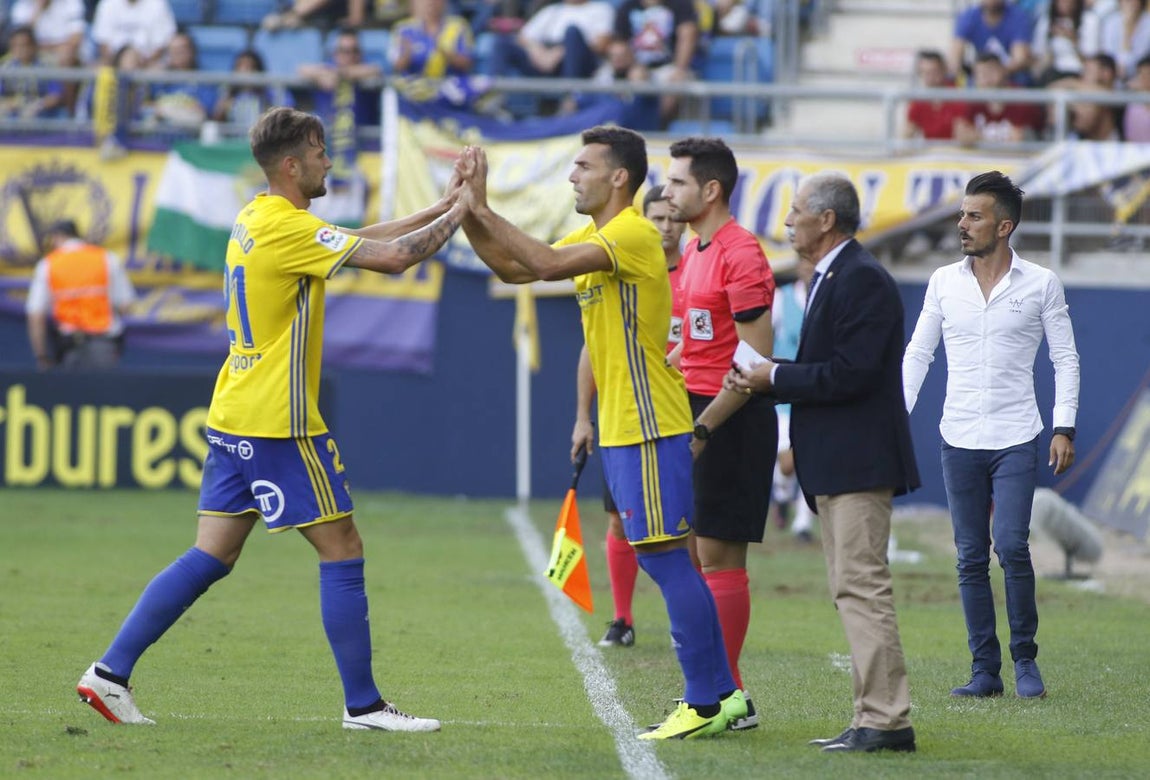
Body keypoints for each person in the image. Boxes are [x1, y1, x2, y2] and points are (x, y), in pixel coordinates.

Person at [76, 106, 470, 731]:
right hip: (277, 422)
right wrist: (465, 211)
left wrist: (441, 206)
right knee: (342, 547)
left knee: (211, 554)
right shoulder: (288, 229)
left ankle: (109, 673)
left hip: (235, 411)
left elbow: (360, 238)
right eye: (319, 152)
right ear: (291, 164)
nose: (328, 162)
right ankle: (364, 706)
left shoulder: (260, 217)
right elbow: (394, 258)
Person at [459, 126, 745, 739]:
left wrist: (481, 207)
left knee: (667, 561)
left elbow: (543, 263)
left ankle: (702, 703)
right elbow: (513, 269)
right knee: (667, 559)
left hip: (650, 426)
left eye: (583, 166)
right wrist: (469, 215)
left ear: (619, 177)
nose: (572, 176)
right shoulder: (596, 237)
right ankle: (725, 694)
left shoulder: (633, 234)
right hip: (623, 428)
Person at [727, 171, 919, 754]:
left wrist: (775, 377)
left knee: (862, 587)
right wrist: (770, 374)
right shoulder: (837, 275)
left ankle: (887, 720)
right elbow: (835, 368)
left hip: (858, 462)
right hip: (839, 463)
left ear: (827, 219)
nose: (787, 222)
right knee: (851, 588)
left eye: (796, 211)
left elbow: (852, 374)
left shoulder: (861, 278)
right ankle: (870, 716)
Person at [903, 170, 1080, 701]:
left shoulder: (1042, 283)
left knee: (1012, 546)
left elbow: (1065, 358)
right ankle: (985, 670)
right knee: (969, 556)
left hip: (1016, 436)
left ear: (1004, 227)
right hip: (957, 436)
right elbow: (919, 353)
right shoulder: (942, 281)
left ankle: (1025, 659)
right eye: (962, 214)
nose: (962, 224)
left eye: (973, 216)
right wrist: (893, 418)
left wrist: (1064, 426)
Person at [663, 136, 775, 732]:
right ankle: (715, 689)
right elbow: (695, 342)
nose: (666, 191)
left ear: (710, 190)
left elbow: (756, 357)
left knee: (718, 555)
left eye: (677, 181)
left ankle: (728, 697)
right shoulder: (693, 248)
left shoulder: (742, 252)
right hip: (692, 408)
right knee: (689, 552)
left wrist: (705, 425)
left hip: (730, 416)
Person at [574, 183, 685, 650]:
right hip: (624, 414)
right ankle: (622, 618)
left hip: (676, 414)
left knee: (684, 534)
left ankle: (690, 625)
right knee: (620, 520)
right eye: (656, 218)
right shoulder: (618, 263)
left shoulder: (693, 273)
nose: (665, 227)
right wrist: (582, 416)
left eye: (673, 218)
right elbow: (592, 346)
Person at [25, 219, 136, 370]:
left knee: (71, 385)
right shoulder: (106, 258)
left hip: (68, 346)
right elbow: (125, 305)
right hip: (104, 344)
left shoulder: (48, 264)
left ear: (56, 237)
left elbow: (35, 315)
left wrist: (41, 356)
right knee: (103, 385)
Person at [768, 261, 815, 543]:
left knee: (810, 457)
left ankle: (802, 523)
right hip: (785, 394)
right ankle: (782, 492)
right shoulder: (781, 298)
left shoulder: (827, 299)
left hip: (814, 391)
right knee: (788, 462)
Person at [603, 0, 701, 126]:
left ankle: (652, 125)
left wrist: (680, 69)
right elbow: (619, 43)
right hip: (635, 66)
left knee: (677, 81)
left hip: (669, 66)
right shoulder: (628, 6)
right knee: (632, 75)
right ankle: (633, 124)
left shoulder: (680, 4)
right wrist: (632, 67)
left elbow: (688, 34)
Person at [954, 52, 1046, 145]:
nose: (985, 77)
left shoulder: (1020, 98)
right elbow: (961, 134)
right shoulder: (974, 101)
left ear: (1003, 70)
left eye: (990, 71)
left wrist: (978, 137)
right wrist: (994, 138)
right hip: (984, 154)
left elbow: (1017, 140)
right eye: (980, 73)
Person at [949, 0, 1035, 85]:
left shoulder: (1018, 16)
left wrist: (995, 73)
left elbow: (1020, 59)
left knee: (1022, 78)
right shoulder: (968, 16)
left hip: (1009, 73)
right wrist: (982, 73)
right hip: (980, 71)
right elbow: (955, 57)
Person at [212, 49, 294, 127]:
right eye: (240, 66)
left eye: (248, 67)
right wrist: (224, 107)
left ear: (257, 70)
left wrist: (269, 109)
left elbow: (287, 112)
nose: (243, 71)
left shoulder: (269, 93)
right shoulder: (227, 92)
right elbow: (216, 121)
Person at [904, 49, 969, 142]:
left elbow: (962, 133)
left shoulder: (957, 96)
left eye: (934, 71)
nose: (930, 77)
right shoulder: (918, 101)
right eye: (925, 73)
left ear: (944, 70)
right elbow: (907, 133)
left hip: (954, 149)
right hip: (931, 150)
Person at [90, 0, 176, 67]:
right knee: (98, 69)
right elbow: (103, 42)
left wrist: (142, 62)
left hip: (148, 63)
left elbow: (162, 44)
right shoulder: (108, 3)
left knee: (158, 70)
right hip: (114, 62)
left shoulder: (158, 4)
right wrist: (120, 61)